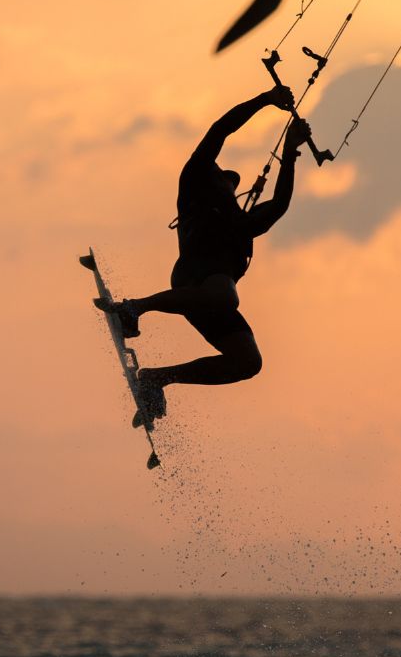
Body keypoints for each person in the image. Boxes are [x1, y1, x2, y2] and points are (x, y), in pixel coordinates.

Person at [105, 85, 308, 422]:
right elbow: (221, 129)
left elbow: (280, 204)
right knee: (225, 296)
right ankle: (133, 308)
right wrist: (265, 99)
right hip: (193, 277)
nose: (230, 182)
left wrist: (289, 153)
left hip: (214, 297)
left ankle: (158, 378)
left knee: (248, 362)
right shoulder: (196, 178)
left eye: (232, 181)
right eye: (226, 177)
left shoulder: (240, 225)